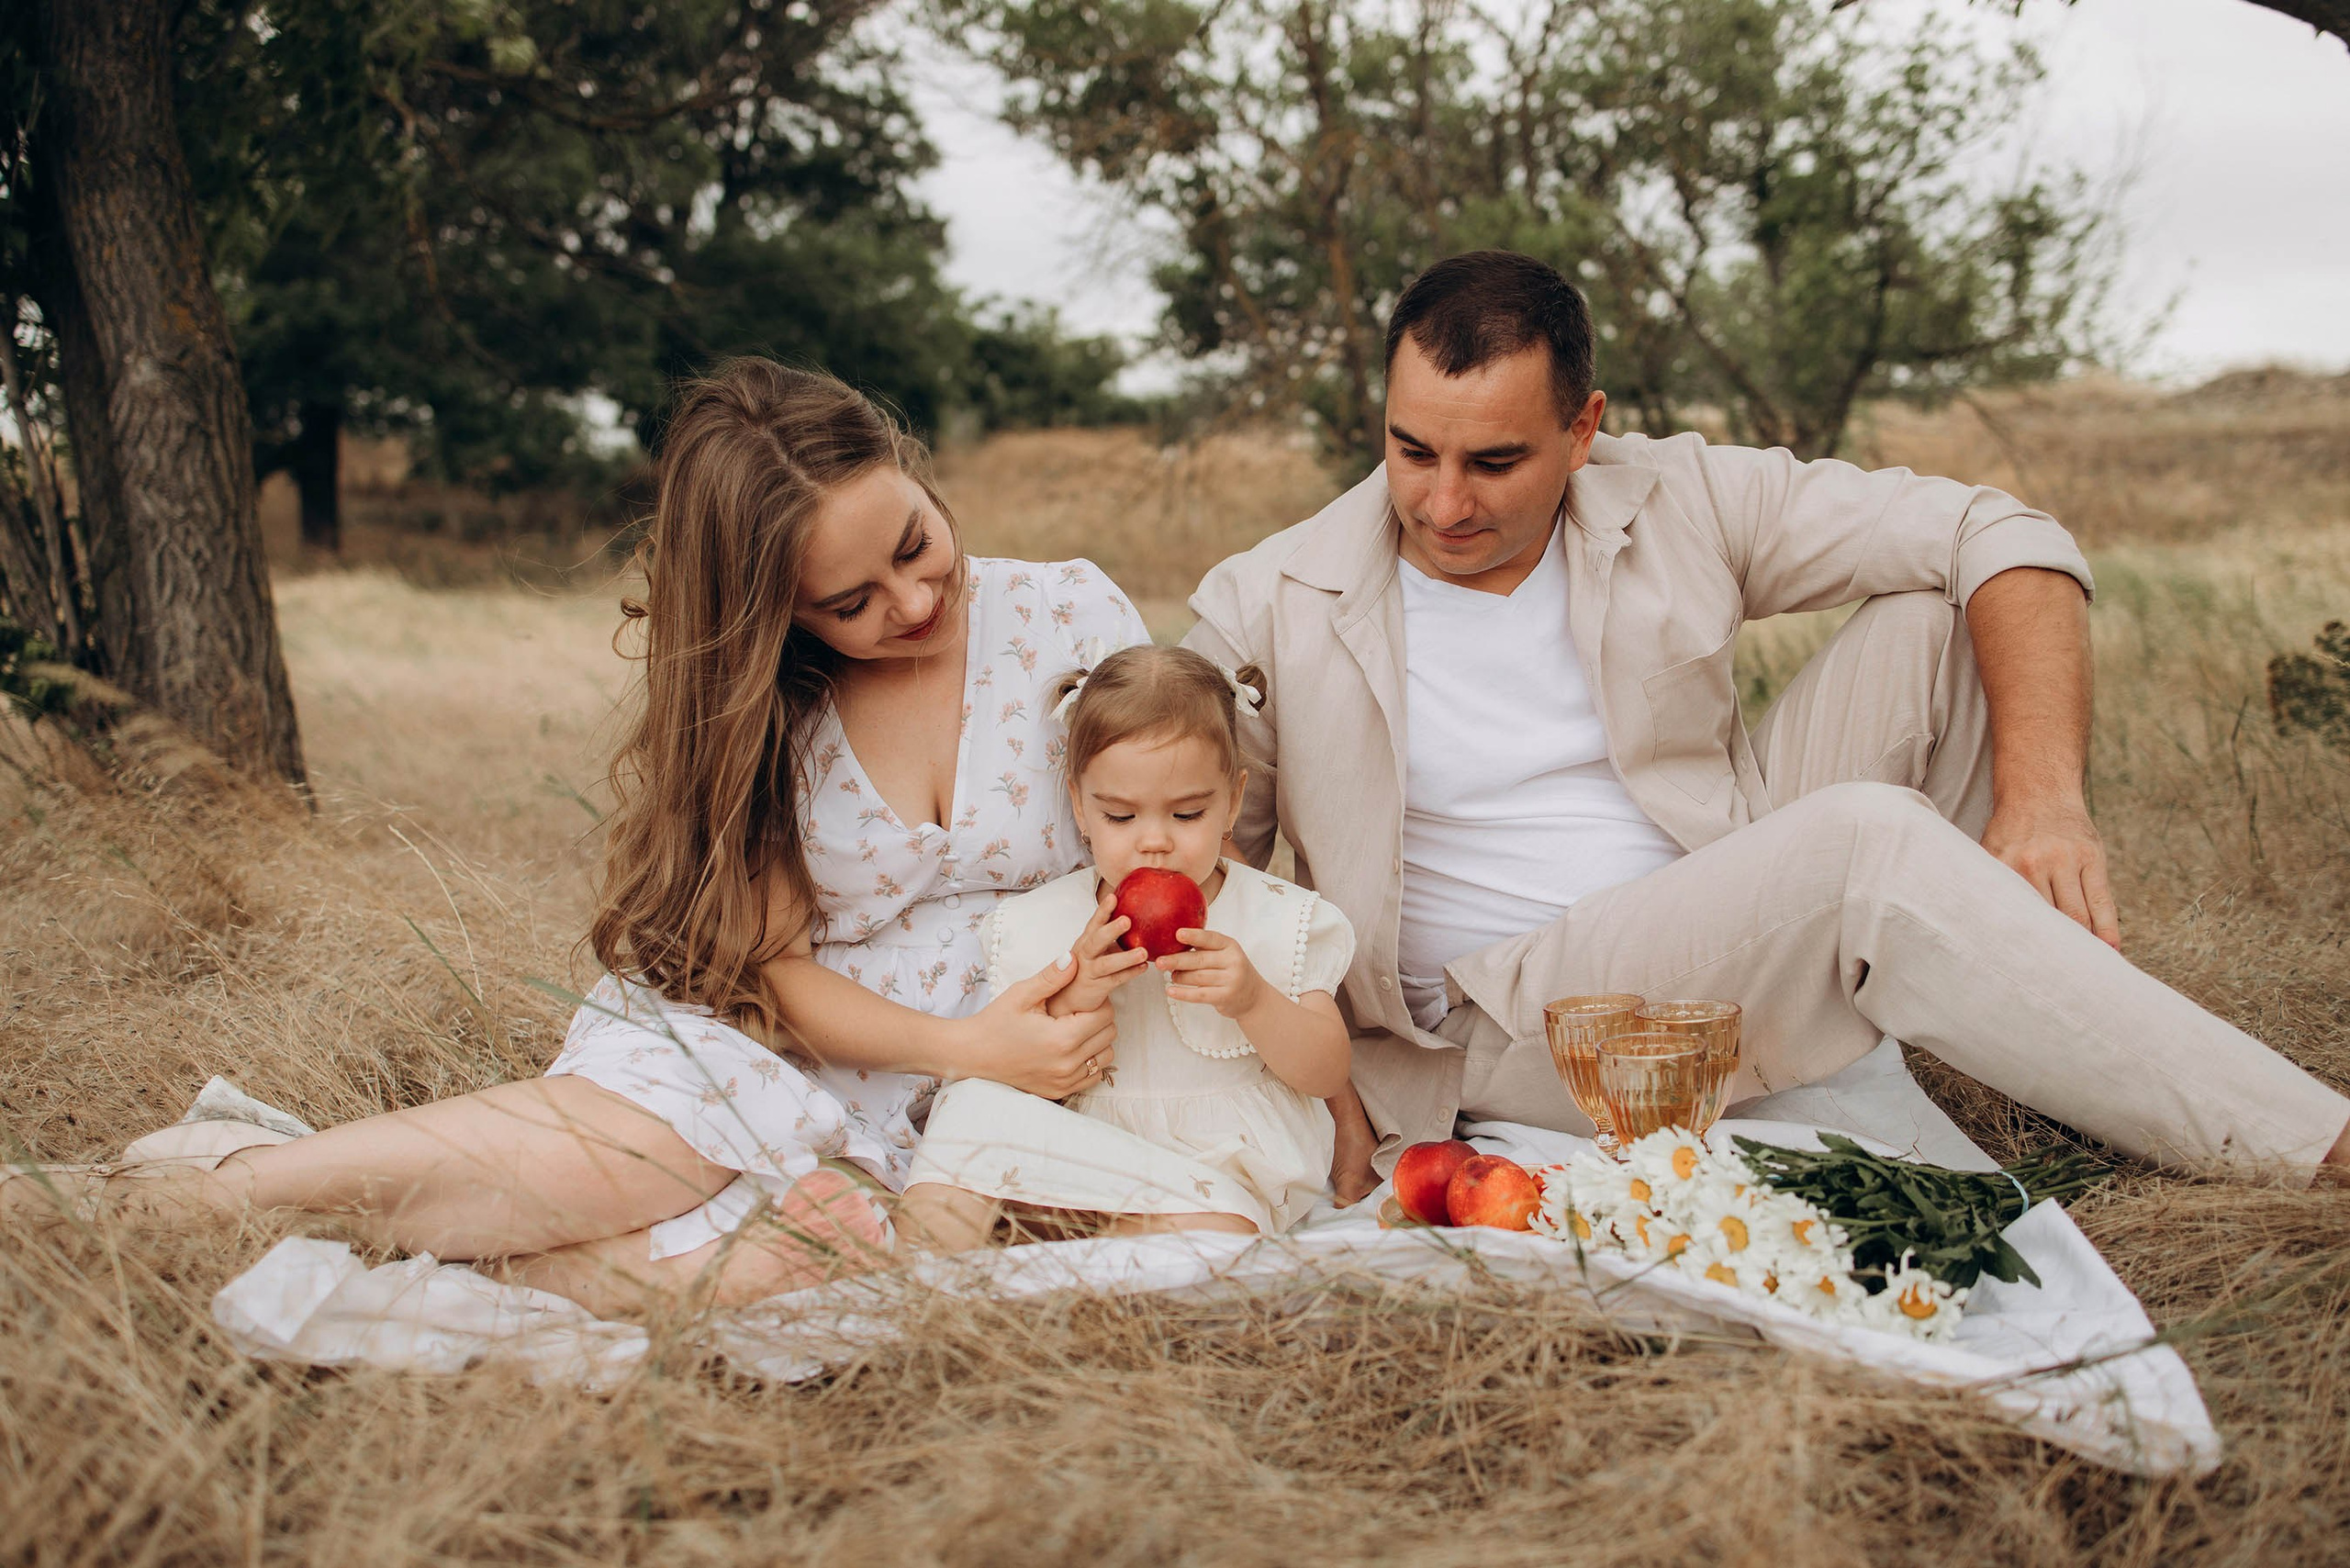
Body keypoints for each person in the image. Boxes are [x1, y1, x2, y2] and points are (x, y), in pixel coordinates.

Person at [1180, 250, 2350, 1202]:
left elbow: (2004, 533)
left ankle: (1975, 997)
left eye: (1494, 461)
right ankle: (2315, 1145)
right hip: (1504, 1027)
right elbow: (1188, 858)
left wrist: (2046, 800)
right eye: (1409, 449)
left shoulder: (1672, 495)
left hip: (1719, 907)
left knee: (1936, 614)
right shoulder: (1269, 599)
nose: (1442, 503)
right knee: (1861, 845)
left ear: (1584, 429)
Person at [2, 359, 1157, 1315]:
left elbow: (1172, 832)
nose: (909, 604)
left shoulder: (1073, 616)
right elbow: (774, 972)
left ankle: (455, 1256)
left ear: (908, 469)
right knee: (637, 1155)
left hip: (1006, 1078)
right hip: (788, 1037)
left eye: (913, 545)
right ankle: (201, 1198)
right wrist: (963, 1047)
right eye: (847, 603)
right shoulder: (774, 707)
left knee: (794, 1267)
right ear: (777, 614)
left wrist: (1026, 1053)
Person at [898, 644, 1357, 1247]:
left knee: (1221, 1230)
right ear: (1080, 807)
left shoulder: (1276, 920)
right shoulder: (1045, 924)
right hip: (1071, 1166)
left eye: (1187, 814)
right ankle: (932, 1277)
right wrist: (1075, 995)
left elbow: (1326, 1070)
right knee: (965, 1121)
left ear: (1234, 802)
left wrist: (1254, 1000)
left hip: (1209, 1180)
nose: (1154, 843)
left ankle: (1056, 1269)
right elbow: (1017, 1069)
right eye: (1119, 817)